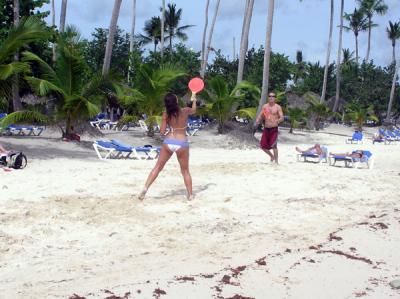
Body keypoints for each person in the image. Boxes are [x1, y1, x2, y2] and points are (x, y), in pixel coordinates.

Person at [138, 92, 197, 201]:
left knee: (157, 167)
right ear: (177, 101)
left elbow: (161, 131)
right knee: (185, 171)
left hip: (169, 141)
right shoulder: (185, 110)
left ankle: (145, 188)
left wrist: (169, 133)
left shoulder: (166, 113)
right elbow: (194, 110)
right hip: (182, 142)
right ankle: (190, 195)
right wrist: (194, 99)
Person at [254, 91, 284, 164]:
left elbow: (282, 117)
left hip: (274, 129)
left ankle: (276, 161)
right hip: (266, 129)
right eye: (270, 96)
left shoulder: (277, 107)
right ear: (268, 97)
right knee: (262, 146)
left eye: (273, 96)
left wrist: (278, 120)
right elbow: (261, 115)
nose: (271, 97)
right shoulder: (265, 106)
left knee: (274, 146)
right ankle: (272, 156)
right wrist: (257, 120)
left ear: (275, 98)